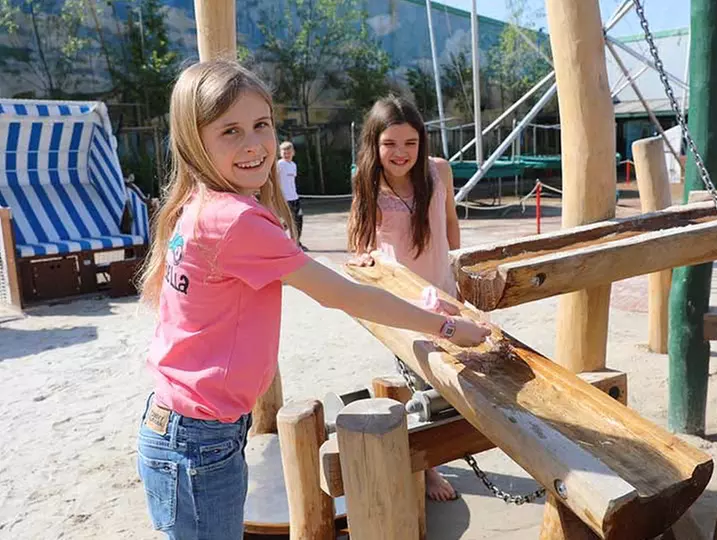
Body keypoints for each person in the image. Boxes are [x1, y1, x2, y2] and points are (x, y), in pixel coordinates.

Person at [136, 61, 490, 540]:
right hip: (199, 439)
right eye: (230, 131)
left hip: (185, 427)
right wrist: (447, 327)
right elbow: (344, 295)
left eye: (261, 124)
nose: (253, 144)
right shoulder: (236, 220)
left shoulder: (200, 203)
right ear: (194, 140)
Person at [347, 95, 461, 501]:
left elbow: (451, 224)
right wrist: (364, 260)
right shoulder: (369, 182)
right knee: (422, 384)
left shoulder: (438, 171)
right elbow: (358, 240)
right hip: (404, 306)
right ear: (374, 144)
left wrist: (459, 270)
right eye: (390, 144)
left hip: (444, 292)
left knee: (456, 378)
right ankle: (428, 468)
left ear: (422, 141)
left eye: (410, 143)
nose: (401, 153)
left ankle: (441, 449)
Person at [276, 141, 305, 249]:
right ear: (280, 153)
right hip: (284, 198)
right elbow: (274, 178)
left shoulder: (293, 165)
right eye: (284, 153)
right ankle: (277, 241)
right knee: (286, 222)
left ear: (293, 152)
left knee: (298, 220)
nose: (287, 155)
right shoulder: (279, 164)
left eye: (289, 152)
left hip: (294, 197)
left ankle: (296, 242)